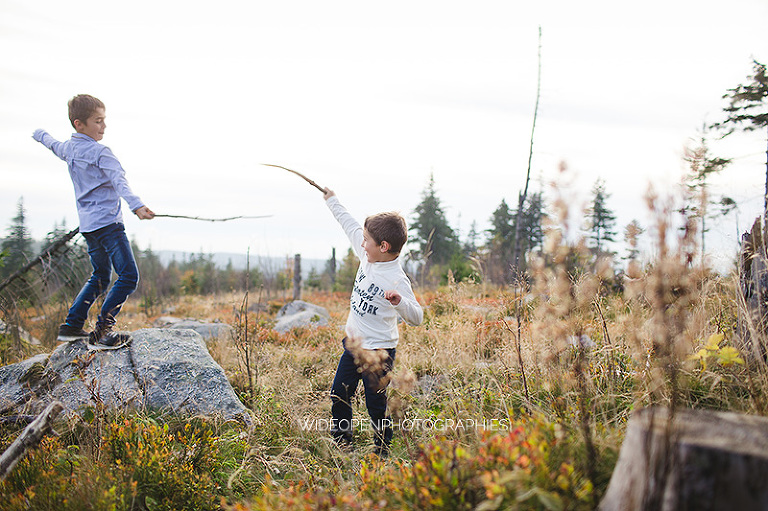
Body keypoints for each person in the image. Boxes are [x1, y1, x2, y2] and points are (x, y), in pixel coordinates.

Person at [32, 94, 155, 349]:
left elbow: (51, 143)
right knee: (129, 276)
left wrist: (38, 132)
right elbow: (120, 182)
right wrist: (137, 206)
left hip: (89, 227)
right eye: (98, 121)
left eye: (104, 120)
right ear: (80, 124)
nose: (103, 126)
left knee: (100, 276)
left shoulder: (69, 148)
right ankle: (102, 333)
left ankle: (71, 326)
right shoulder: (102, 153)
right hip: (109, 226)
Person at [322, 187, 423, 457]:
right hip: (353, 345)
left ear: (384, 247)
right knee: (339, 394)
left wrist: (399, 302)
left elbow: (417, 317)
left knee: (375, 405)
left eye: (367, 241)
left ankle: (382, 451)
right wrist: (332, 199)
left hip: (379, 352)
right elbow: (348, 223)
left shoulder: (397, 279)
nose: (362, 243)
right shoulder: (367, 254)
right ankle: (342, 444)